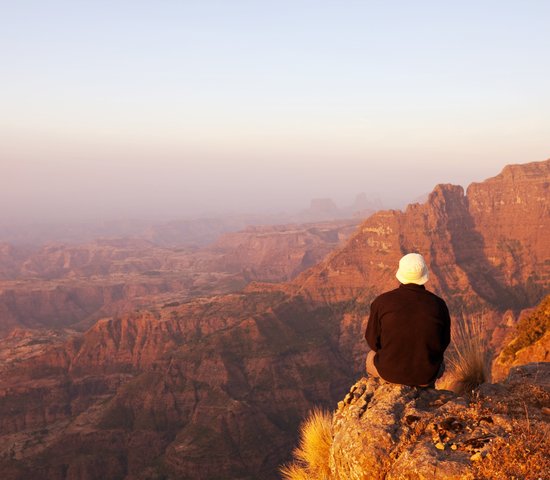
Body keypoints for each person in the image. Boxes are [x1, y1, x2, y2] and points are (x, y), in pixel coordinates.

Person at [365, 253, 450, 387]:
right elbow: (443, 342)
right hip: (426, 376)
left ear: (400, 274)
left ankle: (383, 389)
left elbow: (372, 341)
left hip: (389, 373)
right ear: (424, 275)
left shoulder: (381, 302)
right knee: (441, 363)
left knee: (370, 356)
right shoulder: (438, 304)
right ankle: (427, 392)